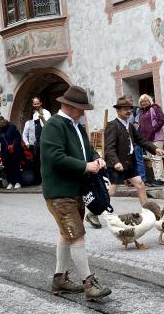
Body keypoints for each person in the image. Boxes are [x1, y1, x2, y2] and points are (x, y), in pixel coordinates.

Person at [40, 85, 112, 301]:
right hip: (59, 192)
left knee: (66, 234)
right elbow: (55, 157)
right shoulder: (54, 125)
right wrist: (85, 166)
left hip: (74, 190)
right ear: (68, 106)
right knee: (77, 235)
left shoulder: (76, 126)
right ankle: (89, 284)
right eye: (80, 108)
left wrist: (97, 157)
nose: (83, 112)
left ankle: (59, 279)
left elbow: (87, 150)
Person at [85, 96, 164, 229]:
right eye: (125, 109)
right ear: (118, 111)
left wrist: (155, 149)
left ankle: (147, 213)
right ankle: (93, 213)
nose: (128, 111)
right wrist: (115, 162)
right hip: (116, 165)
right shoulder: (112, 125)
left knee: (140, 185)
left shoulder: (131, 126)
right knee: (110, 191)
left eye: (129, 109)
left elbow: (142, 140)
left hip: (129, 164)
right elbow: (109, 147)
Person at [138, 94, 164, 186]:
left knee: (157, 158)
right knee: (152, 159)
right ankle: (156, 178)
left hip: (156, 138)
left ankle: (160, 179)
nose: (144, 103)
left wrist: (153, 130)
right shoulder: (141, 112)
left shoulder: (155, 108)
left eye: (146, 101)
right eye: (142, 102)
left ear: (150, 101)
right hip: (146, 139)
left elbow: (162, 120)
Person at [0, 116, 23, 190]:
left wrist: (13, 146)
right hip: (5, 152)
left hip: (15, 151)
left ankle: (18, 182)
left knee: (16, 166)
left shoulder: (12, 127)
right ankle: (10, 182)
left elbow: (18, 137)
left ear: (2, 121)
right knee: (8, 167)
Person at [123, 94, 147, 184]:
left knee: (138, 159)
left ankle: (142, 179)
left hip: (135, 139)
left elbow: (137, 124)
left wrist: (129, 130)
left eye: (129, 101)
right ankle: (134, 179)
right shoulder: (124, 112)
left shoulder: (137, 110)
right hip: (128, 140)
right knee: (131, 160)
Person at [22, 118, 42, 184]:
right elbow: (24, 134)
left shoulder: (43, 121)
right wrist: (27, 143)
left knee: (43, 162)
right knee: (36, 163)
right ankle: (37, 180)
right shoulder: (28, 123)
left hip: (42, 145)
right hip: (32, 145)